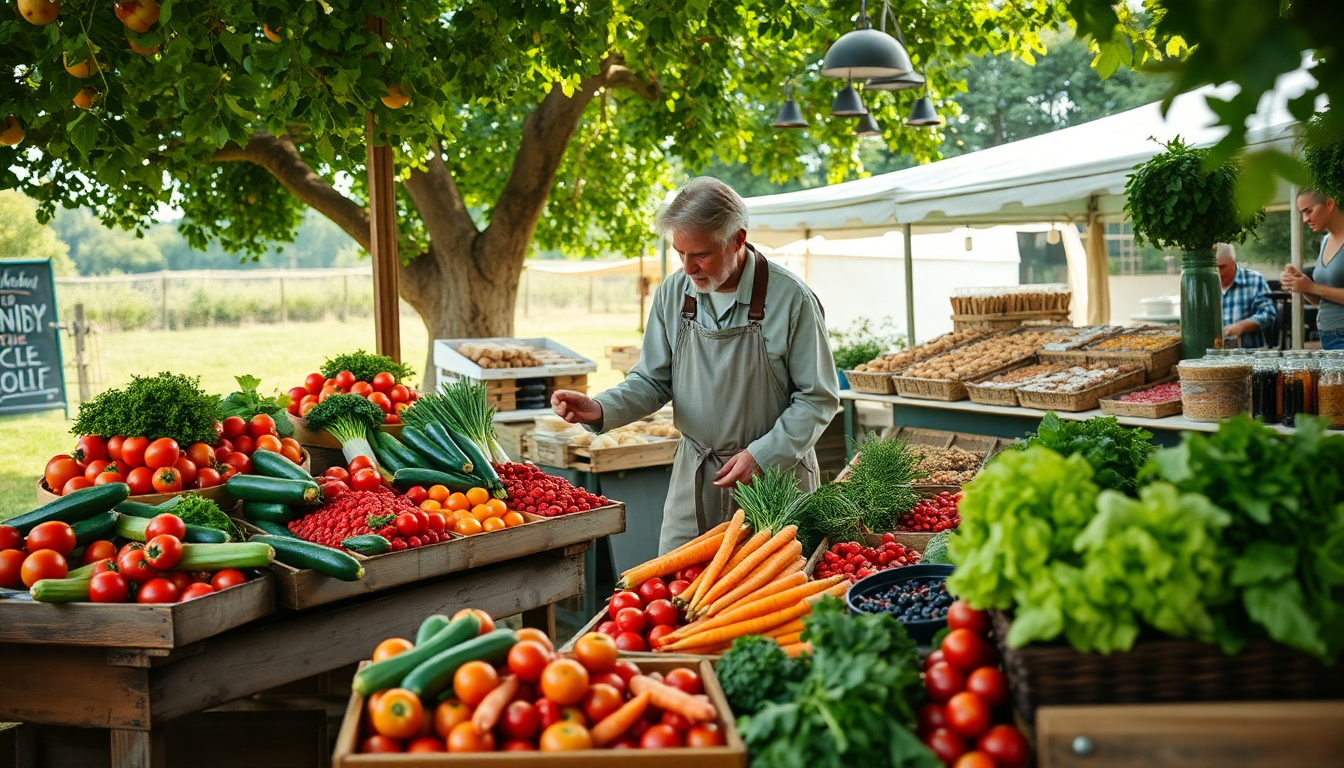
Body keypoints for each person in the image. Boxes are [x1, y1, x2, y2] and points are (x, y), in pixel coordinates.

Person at [551, 177, 840, 553]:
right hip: (695, 477)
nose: (688, 268)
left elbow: (818, 398)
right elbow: (653, 381)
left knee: (772, 597)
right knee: (680, 593)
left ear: (737, 240)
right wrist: (602, 407)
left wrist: (764, 455)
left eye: (700, 254)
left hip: (775, 482)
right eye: (680, 253)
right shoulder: (674, 292)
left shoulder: (791, 299)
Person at [1282, 189, 1344, 350]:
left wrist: (1312, 287)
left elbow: (1320, 290)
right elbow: (1322, 301)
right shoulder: (1325, 241)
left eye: (1308, 211)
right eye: (1302, 213)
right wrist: (1301, 285)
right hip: (1328, 336)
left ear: (1330, 204)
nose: (1304, 219)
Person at [1216, 243, 1277, 349]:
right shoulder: (1206, 285)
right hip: (1215, 358)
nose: (1218, 272)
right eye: (1215, 267)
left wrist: (1242, 326)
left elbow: (1269, 314)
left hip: (1250, 356)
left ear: (1233, 262)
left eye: (1222, 267)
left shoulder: (1254, 280)